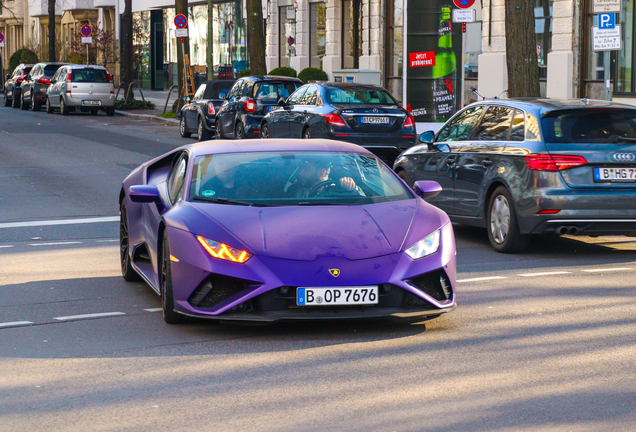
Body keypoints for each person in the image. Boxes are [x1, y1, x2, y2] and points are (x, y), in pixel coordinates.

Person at [284, 156, 358, 198]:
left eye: (307, 169)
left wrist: (351, 187)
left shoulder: (339, 190)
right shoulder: (295, 190)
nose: (301, 172)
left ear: (321, 173)